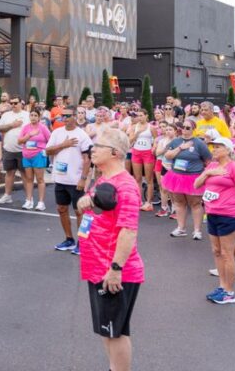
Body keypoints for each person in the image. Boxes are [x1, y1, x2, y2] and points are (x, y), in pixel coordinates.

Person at [77, 129, 144, 371]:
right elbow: (93, 209)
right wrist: (84, 202)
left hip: (113, 271)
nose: (92, 149)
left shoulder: (125, 186)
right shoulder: (104, 179)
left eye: (98, 146)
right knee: (107, 330)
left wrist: (116, 269)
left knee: (115, 332)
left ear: (115, 153)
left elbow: (128, 231)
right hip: (96, 265)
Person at [194, 136, 235, 304]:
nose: (214, 150)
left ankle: (229, 292)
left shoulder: (234, 167)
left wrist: (231, 202)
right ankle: (222, 286)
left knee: (227, 254)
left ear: (228, 150)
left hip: (230, 215)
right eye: (213, 147)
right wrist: (207, 172)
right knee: (217, 251)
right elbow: (197, 185)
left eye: (218, 147)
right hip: (212, 213)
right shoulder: (212, 166)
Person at [47, 108, 93, 253]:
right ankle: (69, 239)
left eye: (68, 115)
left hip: (76, 180)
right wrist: (63, 145)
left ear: (75, 116)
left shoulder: (82, 135)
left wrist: (83, 179)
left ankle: (83, 243)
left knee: (81, 212)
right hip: (60, 179)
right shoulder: (57, 133)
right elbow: (48, 151)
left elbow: (88, 159)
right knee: (61, 209)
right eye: (63, 115)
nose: (65, 118)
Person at [163, 120, 213, 240]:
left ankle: (197, 231)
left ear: (193, 129)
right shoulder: (176, 141)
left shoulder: (199, 143)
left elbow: (208, 160)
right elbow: (167, 155)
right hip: (177, 176)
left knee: (195, 203)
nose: (184, 130)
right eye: (183, 127)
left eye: (188, 128)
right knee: (179, 203)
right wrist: (180, 148)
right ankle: (181, 228)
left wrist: (205, 174)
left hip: (193, 177)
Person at [0, 96, 31, 206]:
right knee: (9, 173)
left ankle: (28, 199)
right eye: (12, 103)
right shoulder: (6, 115)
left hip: (23, 150)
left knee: (24, 174)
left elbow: (33, 129)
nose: (13, 105)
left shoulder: (27, 115)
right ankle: (7, 196)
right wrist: (12, 125)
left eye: (16, 103)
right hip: (9, 149)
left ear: (21, 103)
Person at [19, 107, 52, 211]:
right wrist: (29, 135)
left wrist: (45, 150)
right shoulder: (25, 128)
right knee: (29, 179)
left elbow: (51, 140)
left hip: (38, 155)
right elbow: (19, 141)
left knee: (40, 179)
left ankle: (41, 202)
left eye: (35, 115)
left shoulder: (43, 128)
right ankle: (29, 200)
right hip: (26, 155)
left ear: (39, 117)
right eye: (31, 115)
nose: (33, 117)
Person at [127, 110, 157, 211]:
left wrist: (154, 148)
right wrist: (137, 133)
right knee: (137, 178)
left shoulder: (151, 127)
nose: (140, 117)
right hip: (136, 152)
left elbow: (156, 139)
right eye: (138, 116)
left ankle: (149, 202)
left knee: (149, 179)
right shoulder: (134, 127)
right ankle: (138, 200)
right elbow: (130, 140)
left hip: (147, 153)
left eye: (141, 115)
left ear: (146, 116)